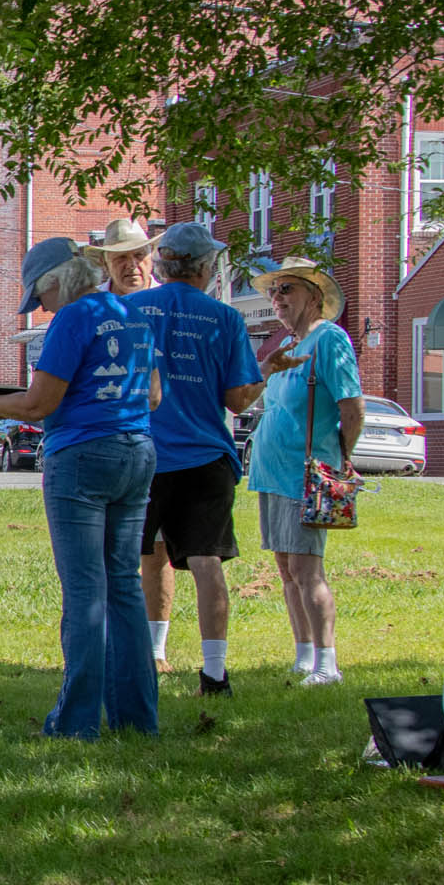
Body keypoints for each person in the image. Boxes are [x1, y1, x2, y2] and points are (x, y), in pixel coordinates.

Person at [0, 237, 158, 738]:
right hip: (138, 451)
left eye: (41, 297)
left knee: (85, 589)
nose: (42, 307)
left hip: (80, 458)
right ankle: (139, 720)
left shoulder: (71, 320)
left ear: (58, 280)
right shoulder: (134, 317)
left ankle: (76, 724)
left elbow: (39, 404)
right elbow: (156, 395)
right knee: (124, 585)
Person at [125, 224, 265, 697]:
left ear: (162, 265)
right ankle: (214, 672)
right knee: (207, 563)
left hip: (141, 451)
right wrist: (266, 372)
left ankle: (140, 658)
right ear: (205, 267)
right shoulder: (224, 318)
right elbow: (238, 399)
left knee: (135, 558)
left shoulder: (132, 308)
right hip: (206, 456)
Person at [246, 257, 362, 687]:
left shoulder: (330, 340)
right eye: (274, 291)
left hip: (305, 474)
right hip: (271, 472)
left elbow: (352, 408)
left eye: (287, 289)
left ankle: (328, 664)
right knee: (285, 568)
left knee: (306, 567)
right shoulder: (289, 346)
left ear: (314, 295)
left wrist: (338, 459)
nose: (277, 299)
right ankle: (304, 655)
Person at [89, 217, 177, 671]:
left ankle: (155, 648)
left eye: (139, 255)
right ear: (105, 261)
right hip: (108, 447)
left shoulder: (168, 306)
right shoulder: (95, 309)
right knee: (107, 550)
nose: (132, 265)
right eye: (120, 257)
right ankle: (109, 642)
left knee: (157, 552)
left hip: (171, 448)